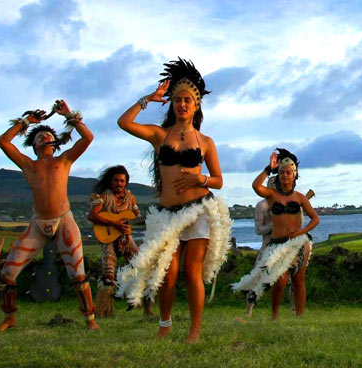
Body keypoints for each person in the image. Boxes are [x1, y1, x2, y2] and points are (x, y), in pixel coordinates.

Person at [116, 58, 231, 343]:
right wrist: (148, 99)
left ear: (196, 105)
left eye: (187, 100)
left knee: (192, 271)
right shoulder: (159, 135)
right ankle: (164, 323)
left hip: (198, 211)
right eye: (177, 100)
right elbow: (123, 122)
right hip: (168, 215)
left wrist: (198, 179)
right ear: (172, 104)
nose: (182, 105)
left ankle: (195, 330)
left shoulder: (205, 142)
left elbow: (218, 179)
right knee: (167, 272)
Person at [0, 100, 99, 331]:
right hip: (37, 222)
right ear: (33, 144)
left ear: (55, 144)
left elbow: (88, 138)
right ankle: (9, 317)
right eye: (38, 136)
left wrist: (69, 115)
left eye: (47, 135)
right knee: (8, 272)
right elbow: (3, 142)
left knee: (78, 274)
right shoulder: (27, 164)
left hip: (64, 219)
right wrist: (26, 122)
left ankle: (90, 319)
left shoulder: (64, 160)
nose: (43, 137)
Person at [233, 148, 320, 321]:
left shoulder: (300, 198)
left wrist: (301, 232)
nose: (285, 175)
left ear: (294, 175)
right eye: (281, 172)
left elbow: (315, 219)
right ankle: (274, 315)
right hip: (276, 243)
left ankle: (300, 316)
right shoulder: (272, 195)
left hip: (298, 243)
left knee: (298, 280)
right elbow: (256, 186)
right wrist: (268, 169)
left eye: (288, 172)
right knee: (278, 281)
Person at [88, 165, 154, 318]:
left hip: (126, 239)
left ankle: (147, 308)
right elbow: (92, 216)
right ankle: (104, 311)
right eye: (116, 180)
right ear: (110, 182)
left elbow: (137, 217)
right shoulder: (103, 197)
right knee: (108, 275)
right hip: (109, 239)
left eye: (122, 181)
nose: (119, 184)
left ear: (126, 182)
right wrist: (114, 223)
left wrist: (151, 219)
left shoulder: (130, 198)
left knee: (143, 267)